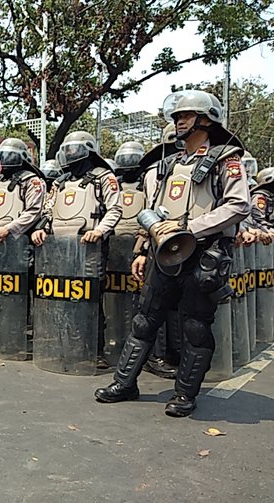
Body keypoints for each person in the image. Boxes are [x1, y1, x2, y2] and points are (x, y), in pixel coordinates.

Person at [95, 90, 250, 417]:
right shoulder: (167, 164)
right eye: (176, 116)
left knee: (195, 326)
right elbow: (151, 211)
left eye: (185, 115)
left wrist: (189, 229)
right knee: (144, 320)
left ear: (206, 119)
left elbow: (238, 205)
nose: (178, 121)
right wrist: (141, 249)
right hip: (162, 255)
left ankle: (184, 394)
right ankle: (125, 383)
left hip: (203, 255)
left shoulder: (226, 159)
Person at [32, 131, 122, 369]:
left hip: (90, 248)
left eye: (75, 150)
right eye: (67, 150)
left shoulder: (104, 177)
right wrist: (43, 229)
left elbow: (114, 209)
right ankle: (66, 347)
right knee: (62, 299)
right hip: (60, 249)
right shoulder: (60, 181)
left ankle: (94, 350)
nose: (70, 154)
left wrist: (100, 231)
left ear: (88, 150)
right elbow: (49, 210)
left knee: (89, 299)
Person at [0, 138, 45, 243]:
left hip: (19, 242)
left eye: (10, 155)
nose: (6, 159)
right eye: (3, 155)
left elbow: (33, 211)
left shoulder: (30, 181)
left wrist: (8, 229)